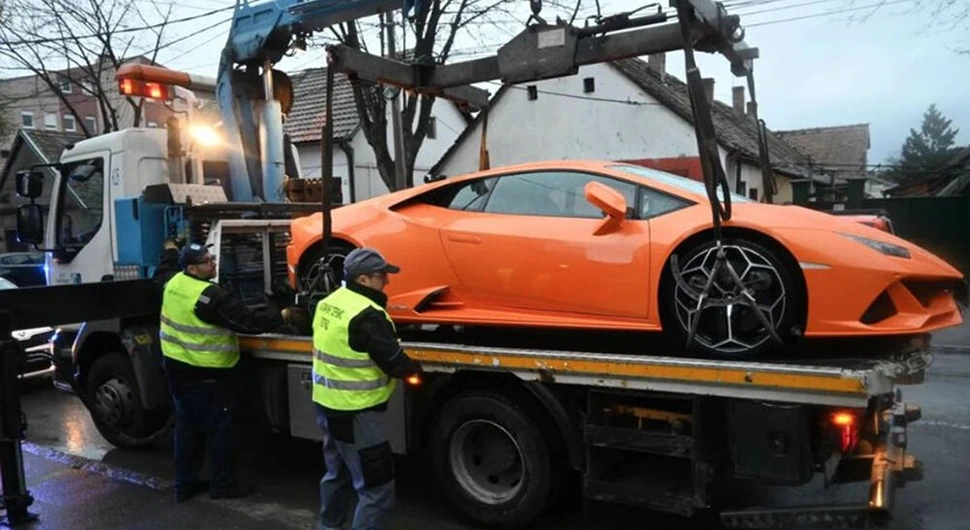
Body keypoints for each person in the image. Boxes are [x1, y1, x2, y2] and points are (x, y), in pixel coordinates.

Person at [156, 241, 285, 502]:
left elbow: (163, 272)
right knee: (219, 430)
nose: (213, 264)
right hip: (207, 374)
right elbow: (246, 322)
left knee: (187, 428)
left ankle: (185, 484)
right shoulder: (209, 297)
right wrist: (282, 316)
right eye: (207, 261)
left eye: (212, 258)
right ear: (192, 269)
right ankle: (223, 485)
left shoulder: (173, 283)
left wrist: (170, 250)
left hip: (177, 367)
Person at [311, 247, 422, 530]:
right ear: (363, 279)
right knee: (377, 489)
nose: (387, 281)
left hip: (327, 404)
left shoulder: (329, 302)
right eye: (381, 276)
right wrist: (416, 371)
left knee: (337, 473)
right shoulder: (368, 315)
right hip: (357, 412)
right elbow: (394, 362)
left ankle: (328, 526)